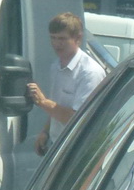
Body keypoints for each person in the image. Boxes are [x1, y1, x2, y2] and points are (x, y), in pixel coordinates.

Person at [27, 12, 105, 156]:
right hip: (58, 146)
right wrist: (45, 132)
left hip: (79, 151)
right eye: (53, 38)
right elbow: (57, 107)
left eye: (62, 39)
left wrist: (43, 102)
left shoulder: (89, 72)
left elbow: (77, 120)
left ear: (78, 39)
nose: (57, 44)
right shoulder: (56, 66)